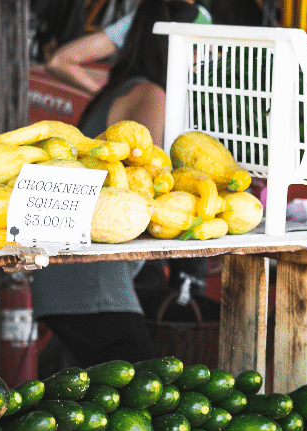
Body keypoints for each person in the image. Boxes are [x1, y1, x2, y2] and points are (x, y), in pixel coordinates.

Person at [31, 0, 211, 367]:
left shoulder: (125, 88)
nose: (200, 63)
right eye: (197, 50)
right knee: (146, 390)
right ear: (172, 47)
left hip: (71, 277)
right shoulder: (151, 96)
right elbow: (152, 185)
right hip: (91, 285)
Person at [45, 1, 212, 96]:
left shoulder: (202, 18)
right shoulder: (141, 18)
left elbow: (59, 61)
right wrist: (108, 97)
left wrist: (106, 97)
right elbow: (59, 61)